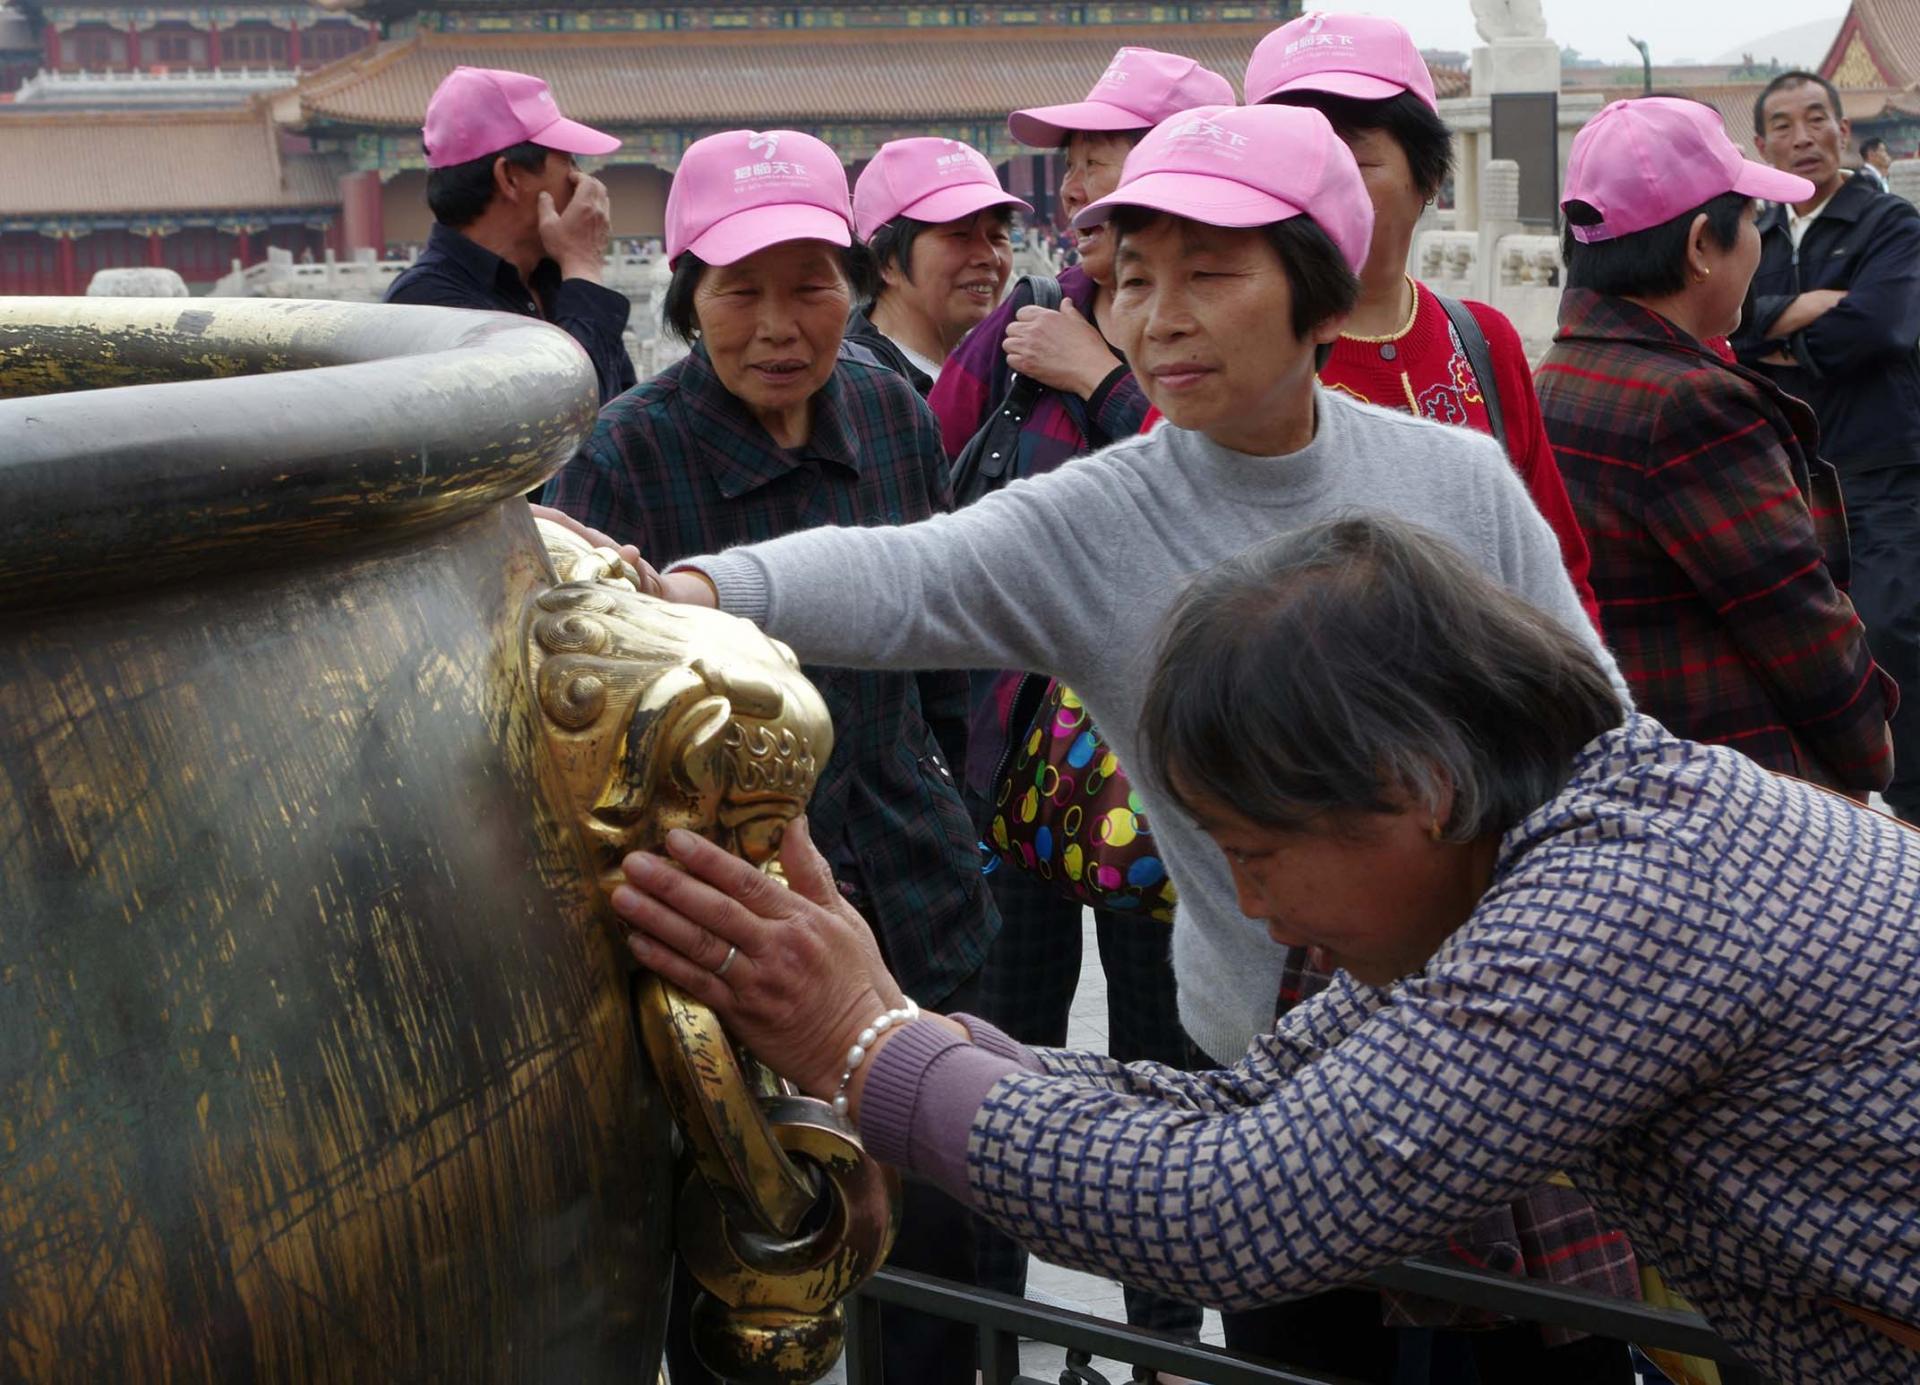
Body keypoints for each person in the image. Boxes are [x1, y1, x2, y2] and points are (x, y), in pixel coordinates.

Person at [609, 512, 1920, 1385]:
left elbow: (1237, 1206)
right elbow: (1244, 1104)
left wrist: (864, 1045)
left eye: (1259, 849)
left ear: (1417, 785)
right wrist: (912, 1031)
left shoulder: (1620, 909)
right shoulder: (1587, 828)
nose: (1251, 904)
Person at [539, 127, 998, 1385]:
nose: (779, 323)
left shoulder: (894, 419)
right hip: (724, 953)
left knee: (947, 1282)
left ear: (856, 284)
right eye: (741, 289)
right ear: (687, 295)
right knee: (753, 1279)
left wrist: (954, 816)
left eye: (810, 285)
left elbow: (942, 646)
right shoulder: (626, 457)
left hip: (914, 903)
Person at [924, 44, 1235, 1344]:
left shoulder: (1220, 335)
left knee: (1165, 1082)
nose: (1082, 178)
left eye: (1109, 151)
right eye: (1080, 155)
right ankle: (998, 1342)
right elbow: (946, 453)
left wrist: (1108, 387)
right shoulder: (1031, 320)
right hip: (1021, 773)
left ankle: (1162, 1351)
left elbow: (1224, 517)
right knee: (1003, 1063)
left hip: (1170, 790)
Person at [1175, 13, 1601, 636]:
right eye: (1292, 156)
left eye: (1352, 155)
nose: (1317, 183)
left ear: (1427, 176)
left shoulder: (1484, 342)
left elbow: (1559, 569)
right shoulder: (1219, 358)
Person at [1541, 96, 1894, 803]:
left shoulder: (1556, 374)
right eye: (1754, 223)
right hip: (1740, 790)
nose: (1761, 243)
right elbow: (1800, 627)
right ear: (1702, 245)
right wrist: (1868, 761)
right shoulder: (1693, 404)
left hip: (1628, 770)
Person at [1732, 71, 1920, 822]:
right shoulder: (1756, 230)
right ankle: (1824, 813)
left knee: (1894, 633)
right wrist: (1795, 313)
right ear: (1760, 144)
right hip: (1785, 474)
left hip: (1882, 469)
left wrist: (1770, 338)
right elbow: (1723, 323)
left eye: (1817, 119)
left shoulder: (1890, 225)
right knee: (1800, 643)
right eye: (1783, 124)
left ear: (1844, 130)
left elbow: (1882, 328)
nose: (1802, 136)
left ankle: (1908, 811)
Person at [385, 66, 635, 406]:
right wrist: (583, 263)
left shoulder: (553, 280)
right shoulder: (427, 302)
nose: (581, 180)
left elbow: (622, 421)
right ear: (510, 178)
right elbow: (568, 419)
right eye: (569, 162)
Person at [845, 137, 1031, 394]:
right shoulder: (857, 390)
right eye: (960, 235)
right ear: (886, 261)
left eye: (998, 236)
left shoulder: (998, 374)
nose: (990, 257)